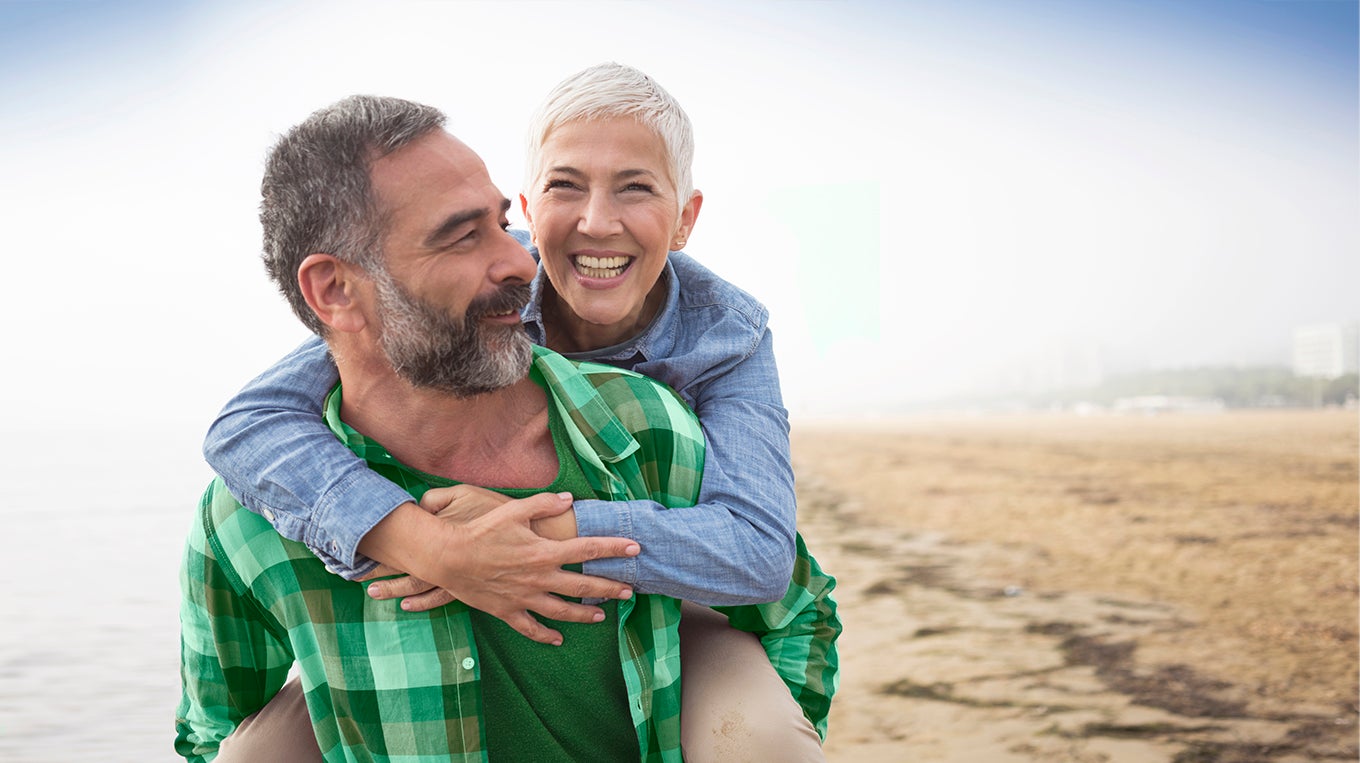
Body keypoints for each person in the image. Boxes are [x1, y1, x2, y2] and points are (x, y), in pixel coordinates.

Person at [204, 64, 838, 757]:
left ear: (685, 218)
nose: (597, 223)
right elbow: (250, 423)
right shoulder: (482, 294)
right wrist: (434, 546)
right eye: (567, 187)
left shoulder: (725, 337)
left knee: (756, 731)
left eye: (636, 188)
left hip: (673, 589)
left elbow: (759, 553)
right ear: (532, 210)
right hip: (432, 596)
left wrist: (547, 529)